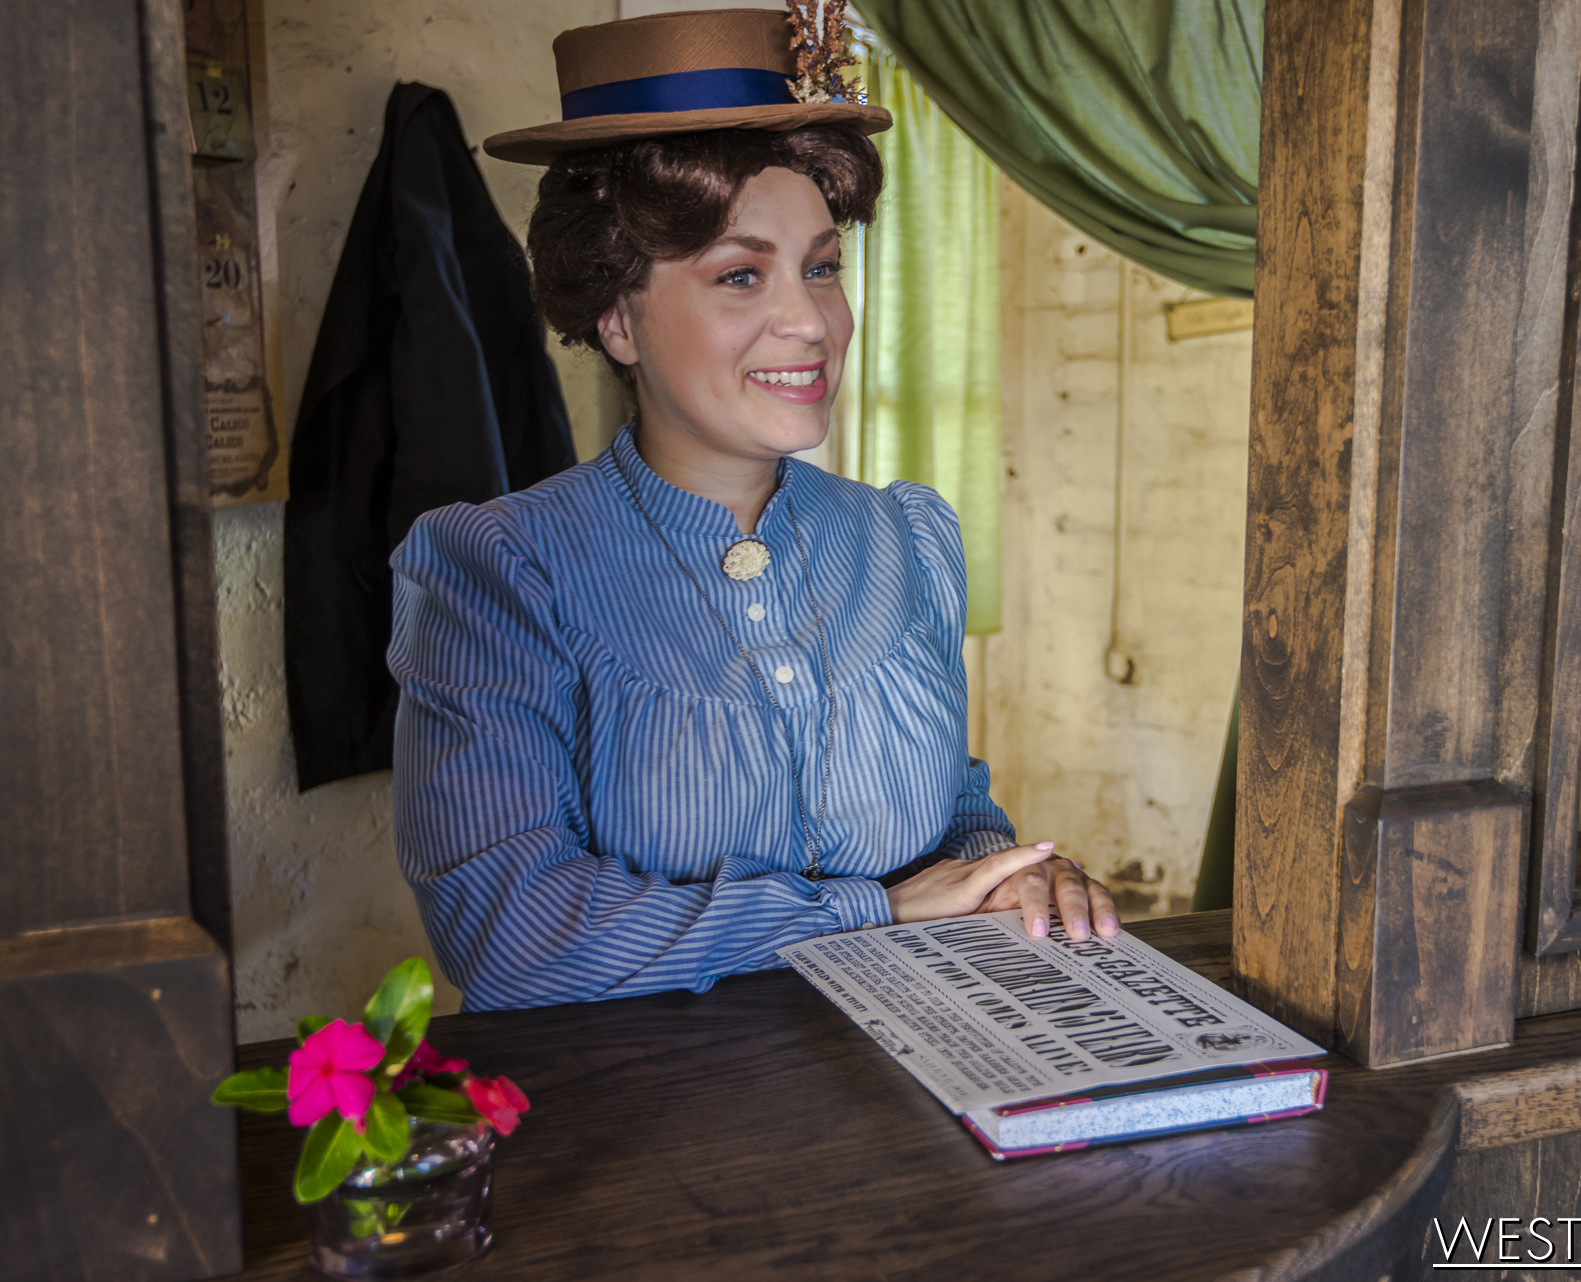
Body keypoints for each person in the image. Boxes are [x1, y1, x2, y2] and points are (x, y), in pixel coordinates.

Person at [386, 5, 1116, 1012]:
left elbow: (954, 812)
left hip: (917, 1084)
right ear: (616, 314)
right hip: (639, 1132)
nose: (811, 321)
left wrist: (1012, 873)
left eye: (822, 266)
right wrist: (871, 911)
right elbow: (511, 930)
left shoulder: (907, 536)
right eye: (741, 275)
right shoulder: (499, 569)